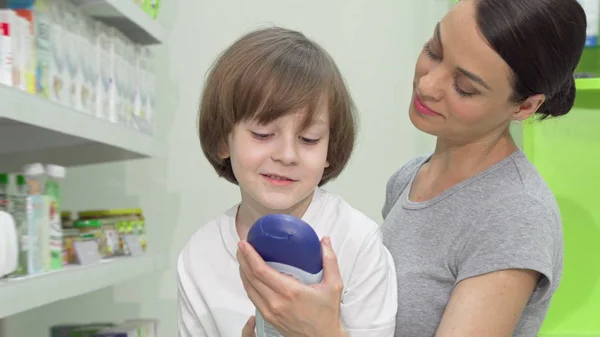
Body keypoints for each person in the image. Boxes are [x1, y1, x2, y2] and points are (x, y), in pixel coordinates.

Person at [237, 0, 586, 336]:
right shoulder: (410, 177)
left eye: (464, 88)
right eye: (434, 50)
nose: (428, 84)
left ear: (525, 106)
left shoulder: (515, 215)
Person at [177, 27, 398, 337]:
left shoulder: (357, 242)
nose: (287, 155)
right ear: (223, 140)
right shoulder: (199, 256)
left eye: (308, 139)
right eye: (263, 134)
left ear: (329, 152)